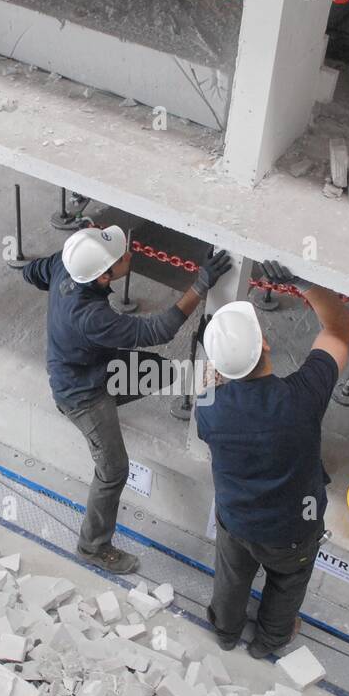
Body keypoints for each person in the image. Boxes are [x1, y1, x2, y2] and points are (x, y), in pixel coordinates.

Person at [22, 225, 232, 574]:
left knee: (160, 372)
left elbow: (33, 272)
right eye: (122, 256)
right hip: (81, 394)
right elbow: (159, 330)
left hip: (94, 366)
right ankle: (93, 546)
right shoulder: (92, 317)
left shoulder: (66, 263)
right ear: (104, 278)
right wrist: (200, 284)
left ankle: (108, 406)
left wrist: (82, 245)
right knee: (113, 470)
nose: (130, 253)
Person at [196, 261, 349, 657]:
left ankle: (226, 631)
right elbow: (339, 331)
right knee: (287, 584)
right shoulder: (301, 398)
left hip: (237, 521)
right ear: (265, 344)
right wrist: (305, 283)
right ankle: (268, 641)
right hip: (292, 529)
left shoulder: (208, 407)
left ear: (216, 366)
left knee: (231, 580)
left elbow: (214, 385)